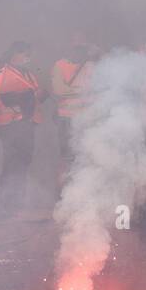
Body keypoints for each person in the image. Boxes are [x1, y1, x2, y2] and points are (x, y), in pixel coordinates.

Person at [0, 41, 45, 216]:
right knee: (11, 162)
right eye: (24, 54)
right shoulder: (4, 73)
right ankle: (6, 202)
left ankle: (18, 201)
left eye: (29, 54)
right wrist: (24, 100)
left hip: (27, 123)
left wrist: (37, 96)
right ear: (14, 55)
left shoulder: (29, 74)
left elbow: (37, 94)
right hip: (10, 124)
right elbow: (1, 97)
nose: (27, 58)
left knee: (24, 161)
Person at [50, 31, 100, 193]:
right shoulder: (60, 65)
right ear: (69, 47)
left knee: (85, 157)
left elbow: (97, 90)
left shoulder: (91, 66)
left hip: (86, 119)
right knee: (66, 158)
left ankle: (80, 194)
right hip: (66, 119)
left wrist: (74, 90)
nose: (78, 50)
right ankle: (62, 195)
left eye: (82, 46)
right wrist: (82, 91)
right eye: (76, 46)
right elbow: (59, 90)